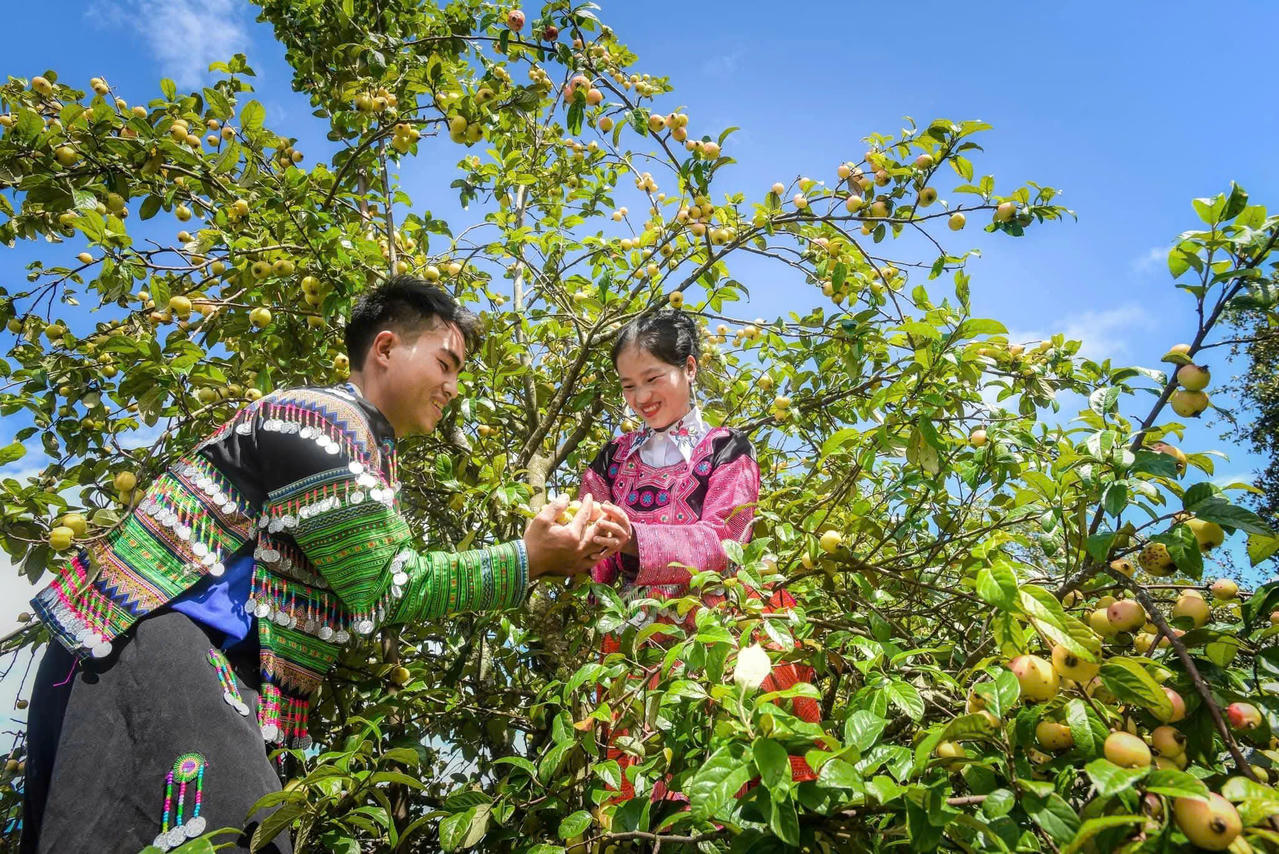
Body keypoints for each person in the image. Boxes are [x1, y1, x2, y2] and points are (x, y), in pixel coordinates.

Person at [20, 275, 627, 853]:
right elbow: (389, 587)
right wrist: (530, 557)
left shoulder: (360, 446)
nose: (453, 387)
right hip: (148, 648)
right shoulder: (320, 424)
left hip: (189, 663)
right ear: (385, 348)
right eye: (446, 364)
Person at [577, 310, 819, 803]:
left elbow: (723, 542)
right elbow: (594, 563)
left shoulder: (726, 450)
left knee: (730, 785)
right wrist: (572, 540)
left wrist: (632, 539)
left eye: (652, 379)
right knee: (643, 800)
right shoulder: (610, 460)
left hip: (717, 631)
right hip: (636, 644)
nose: (640, 398)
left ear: (689, 368)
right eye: (627, 385)